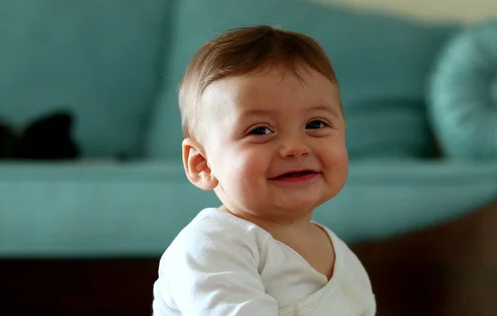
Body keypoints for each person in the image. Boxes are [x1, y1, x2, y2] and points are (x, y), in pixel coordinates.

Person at [152, 25, 376, 316]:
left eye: (315, 124)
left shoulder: (343, 258)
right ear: (202, 164)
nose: (295, 147)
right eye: (260, 130)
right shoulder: (212, 246)